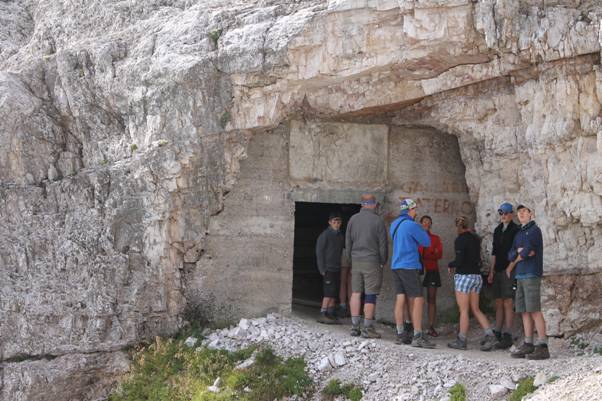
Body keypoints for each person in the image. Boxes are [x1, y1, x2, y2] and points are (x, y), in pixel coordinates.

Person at [390, 198, 435, 348]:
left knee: (400, 298)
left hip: (396, 265)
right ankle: (417, 335)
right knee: (418, 299)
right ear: (410, 210)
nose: (416, 212)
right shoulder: (412, 225)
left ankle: (400, 333)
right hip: (409, 265)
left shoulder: (394, 224)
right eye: (415, 209)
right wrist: (423, 230)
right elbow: (427, 242)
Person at [447, 216, 497, 351]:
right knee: (476, 309)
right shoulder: (475, 238)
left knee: (463, 310)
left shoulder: (460, 240)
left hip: (464, 277)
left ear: (458, 227)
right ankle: (490, 334)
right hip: (477, 276)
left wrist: (450, 264)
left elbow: (459, 260)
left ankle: (462, 339)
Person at [506, 204, 549, 360]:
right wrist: (519, 253)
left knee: (534, 309)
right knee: (524, 310)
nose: (522, 214)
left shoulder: (535, 231)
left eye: (525, 211)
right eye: (519, 212)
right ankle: (528, 343)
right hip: (520, 275)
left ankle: (543, 345)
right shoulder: (519, 234)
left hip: (531, 273)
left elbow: (529, 250)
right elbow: (510, 254)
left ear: (531, 214)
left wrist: (520, 253)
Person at [345, 194, 388, 338]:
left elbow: (348, 242)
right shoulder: (378, 221)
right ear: (372, 204)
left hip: (356, 260)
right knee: (370, 294)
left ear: (362, 204)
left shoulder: (352, 219)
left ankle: (354, 326)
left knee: (356, 293)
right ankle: (367, 328)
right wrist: (383, 261)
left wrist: (350, 260)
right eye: (375, 204)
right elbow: (383, 245)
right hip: (372, 261)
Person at [488, 202, 520, 349]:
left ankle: (508, 334)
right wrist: (491, 271)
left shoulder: (516, 229)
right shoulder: (497, 230)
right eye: (501, 213)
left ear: (511, 214)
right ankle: (498, 332)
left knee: (508, 301)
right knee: (499, 301)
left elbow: (517, 251)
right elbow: (494, 251)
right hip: (498, 269)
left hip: (509, 269)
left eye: (506, 213)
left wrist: (510, 267)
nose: (503, 216)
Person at [315, 212, 345, 324]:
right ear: (329, 223)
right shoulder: (325, 235)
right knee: (328, 292)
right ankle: (322, 313)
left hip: (337, 267)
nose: (336, 224)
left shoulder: (340, 236)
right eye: (334, 222)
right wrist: (322, 268)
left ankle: (330, 313)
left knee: (334, 291)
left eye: (338, 222)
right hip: (328, 268)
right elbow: (319, 252)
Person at [419, 215, 443, 337]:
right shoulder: (416, 237)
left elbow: (439, 254)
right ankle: (414, 326)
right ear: (420, 224)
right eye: (424, 222)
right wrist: (431, 252)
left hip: (431, 270)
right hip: (417, 269)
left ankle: (431, 326)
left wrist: (427, 254)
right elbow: (422, 253)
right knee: (416, 297)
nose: (426, 224)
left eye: (428, 222)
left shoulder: (435, 238)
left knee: (431, 299)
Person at [339, 249, 352, 317]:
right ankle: (351, 307)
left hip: (345, 251)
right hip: (356, 252)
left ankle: (343, 306)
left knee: (343, 282)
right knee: (351, 283)